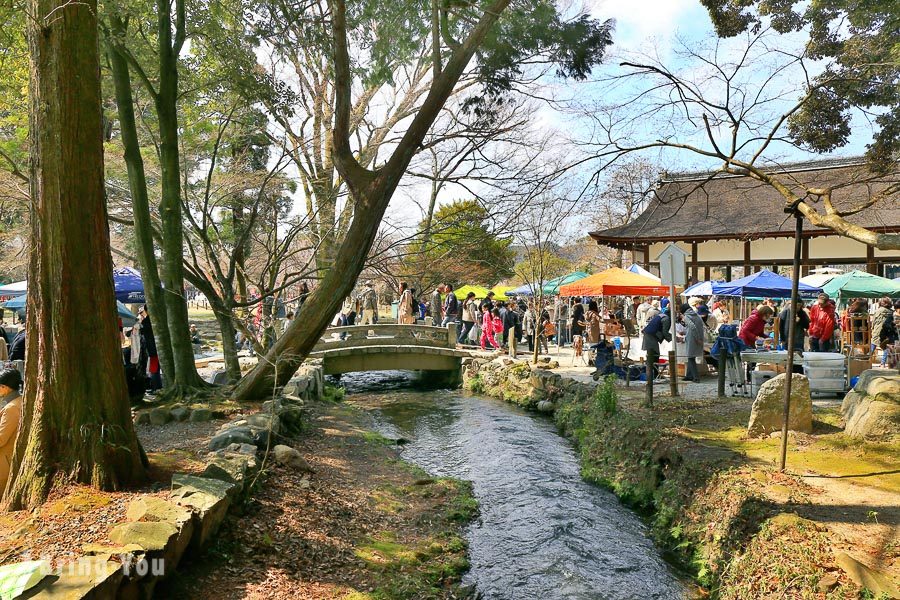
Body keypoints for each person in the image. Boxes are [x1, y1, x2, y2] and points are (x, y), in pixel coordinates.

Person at [0, 368, 23, 493]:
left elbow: (1, 439)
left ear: (5, 387)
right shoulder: (19, 402)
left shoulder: (12, 408)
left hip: (4, 464)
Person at [642, 307, 672, 380]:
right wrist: (673, 338)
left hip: (649, 333)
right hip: (651, 335)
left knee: (653, 354)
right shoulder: (666, 319)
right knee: (654, 355)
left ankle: (654, 374)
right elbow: (665, 332)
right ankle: (653, 375)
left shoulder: (661, 315)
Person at [140, 305, 163, 391]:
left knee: (154, 368)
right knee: (156, 368)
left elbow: (142, 333)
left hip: (152, 348)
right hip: (158, 347)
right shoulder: (159, 320)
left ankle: (156, 387)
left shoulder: (146, 322)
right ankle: (157, 386)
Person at [872, 297, 897, 365]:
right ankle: (883, 363)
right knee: (886, 348)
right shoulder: (892, 312)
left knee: (873, 345)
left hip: (877, 332)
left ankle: (867, 360)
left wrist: (872, 328)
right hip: (886, 333)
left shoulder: (877, 311)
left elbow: (873, 322)